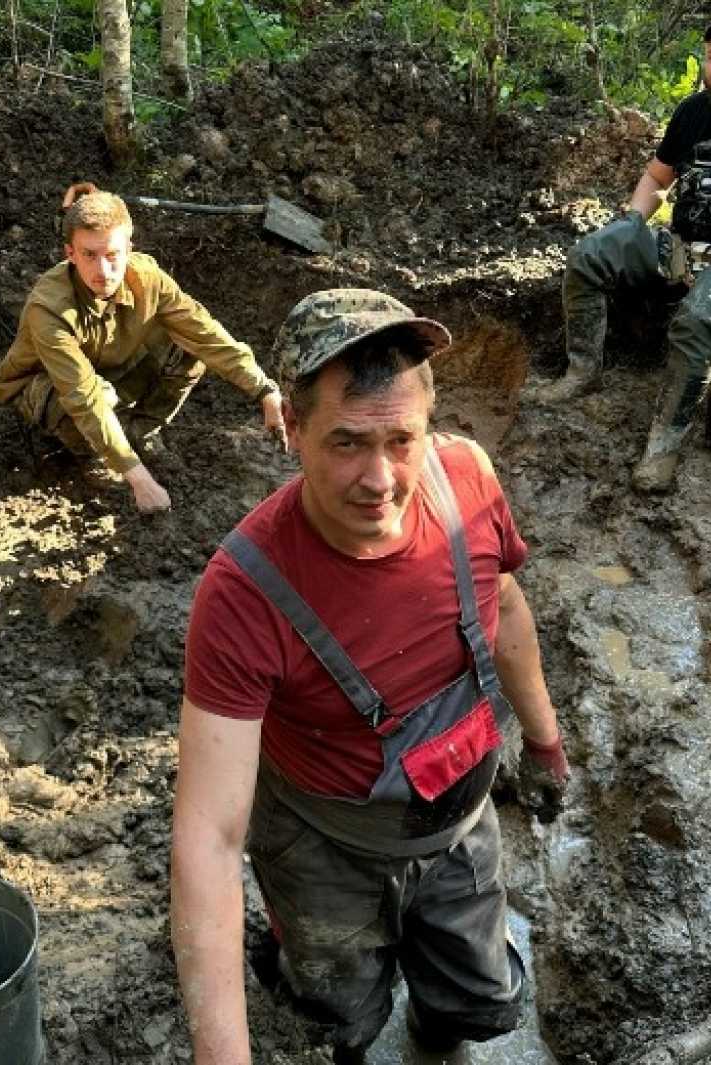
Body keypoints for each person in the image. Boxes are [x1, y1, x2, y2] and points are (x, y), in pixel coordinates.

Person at [170, 289, 571, 1064]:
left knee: (480, 1001)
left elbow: (509, 610)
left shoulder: (466, 481)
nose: (381, 479)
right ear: (292, 427)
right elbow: (209, 837)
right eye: (348, 443)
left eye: (402, 440)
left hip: (458, 820)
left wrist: (546, 738)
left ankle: (435, 1034)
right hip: (324, 843)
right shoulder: (244, 592)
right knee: (338, 1012)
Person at [540, 6, 711, 492]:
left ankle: (664, 445)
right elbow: (656, 176)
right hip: (676, 243)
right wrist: (632, 220)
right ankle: (582, 369)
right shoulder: (692, 112)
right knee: (591, 254)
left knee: (697, 317)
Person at [0, 183, 285, 513]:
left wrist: (265, 391)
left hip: (112, 370)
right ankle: (98, 454)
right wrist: (139, 478)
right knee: (99, 399)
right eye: (89, 255)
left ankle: (135, 433)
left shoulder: (147, 278)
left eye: (113, 255)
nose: (103, 271)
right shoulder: (49, 309)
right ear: (70, 254)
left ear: (129, 249)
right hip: (44, 385)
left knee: (187, 350)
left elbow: (205, 334)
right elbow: (83, 396)